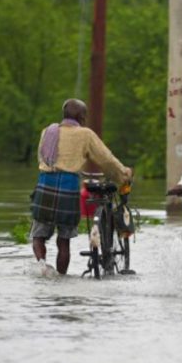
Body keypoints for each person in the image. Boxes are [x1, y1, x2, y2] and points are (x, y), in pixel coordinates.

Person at [30, 98, 133, 275]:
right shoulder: (85, 134)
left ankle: (41, 266)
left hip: (45, 184)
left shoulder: (48, 132)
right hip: (68, 187)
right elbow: (106, 159)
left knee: (38, 236)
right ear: (82, 117)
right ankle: (61, 278)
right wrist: (123, 174)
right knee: (64, 241)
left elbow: (42, 158)